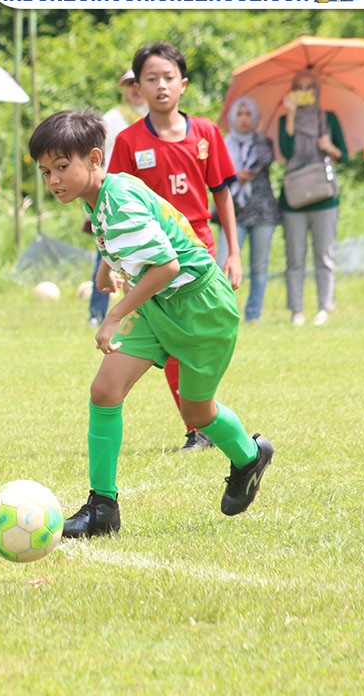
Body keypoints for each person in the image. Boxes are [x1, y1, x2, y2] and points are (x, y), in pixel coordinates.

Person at [29, 109, 274, 538]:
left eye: (62, 167)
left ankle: (249, 456)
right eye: (46, 171)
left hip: (201, 306)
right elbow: (125, 241)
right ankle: (102, 508)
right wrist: (107, 269)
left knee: (198, 411)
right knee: (105, 390)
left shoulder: (117, 198)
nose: (53, 180)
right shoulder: (102, 196)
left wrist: (114, 316)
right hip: (157, 304)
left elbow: (165, 263)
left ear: (94, 158)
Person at [108, 42, 241, 453]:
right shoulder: (129, 141)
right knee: (170, 339)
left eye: (168, 78)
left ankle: (202, 419)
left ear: (182, 84)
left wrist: (234, 253)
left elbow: (221, 195)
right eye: (151, 79)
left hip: (197, 251)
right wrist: (106, 263)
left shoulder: (206, 133)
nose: (161, 86)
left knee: (196, 338)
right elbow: (110, 205)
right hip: (149, 256)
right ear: (137, 89)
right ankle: (196, 427)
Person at [277, 69, 347, 327]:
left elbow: (345, 156)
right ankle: (296, 309)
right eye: (300, 87)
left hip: (324, 196)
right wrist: (292, 114)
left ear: (317, 91)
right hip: (294, 198)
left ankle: (324, 307)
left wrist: (329, 147)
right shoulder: (286, 119)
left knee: (324, 255)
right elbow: (285, 152)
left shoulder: (328, 119)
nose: (306, 92)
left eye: (310, 88)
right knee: (295, 257)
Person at [88, 69, 147, 326]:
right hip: (112, 196)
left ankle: (141, 312)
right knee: (104, 253)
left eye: (138, 83)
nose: (134, 88)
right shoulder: (111, 119)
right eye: (129, 84)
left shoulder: (153, 118)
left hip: (144, 196)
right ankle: (97, 312)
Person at [215, 95, 281, 323]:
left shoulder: (263, 142)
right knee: (223, 262)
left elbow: (263, 160)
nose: (243, 119)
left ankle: (254, 314)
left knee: (259, 265)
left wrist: (239, 174)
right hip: (232, 210)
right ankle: (222, 311)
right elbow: (216, 173)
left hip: (263, 211)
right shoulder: (223, 143)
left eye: (248, 114)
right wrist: (234, 176)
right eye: (239, 114)